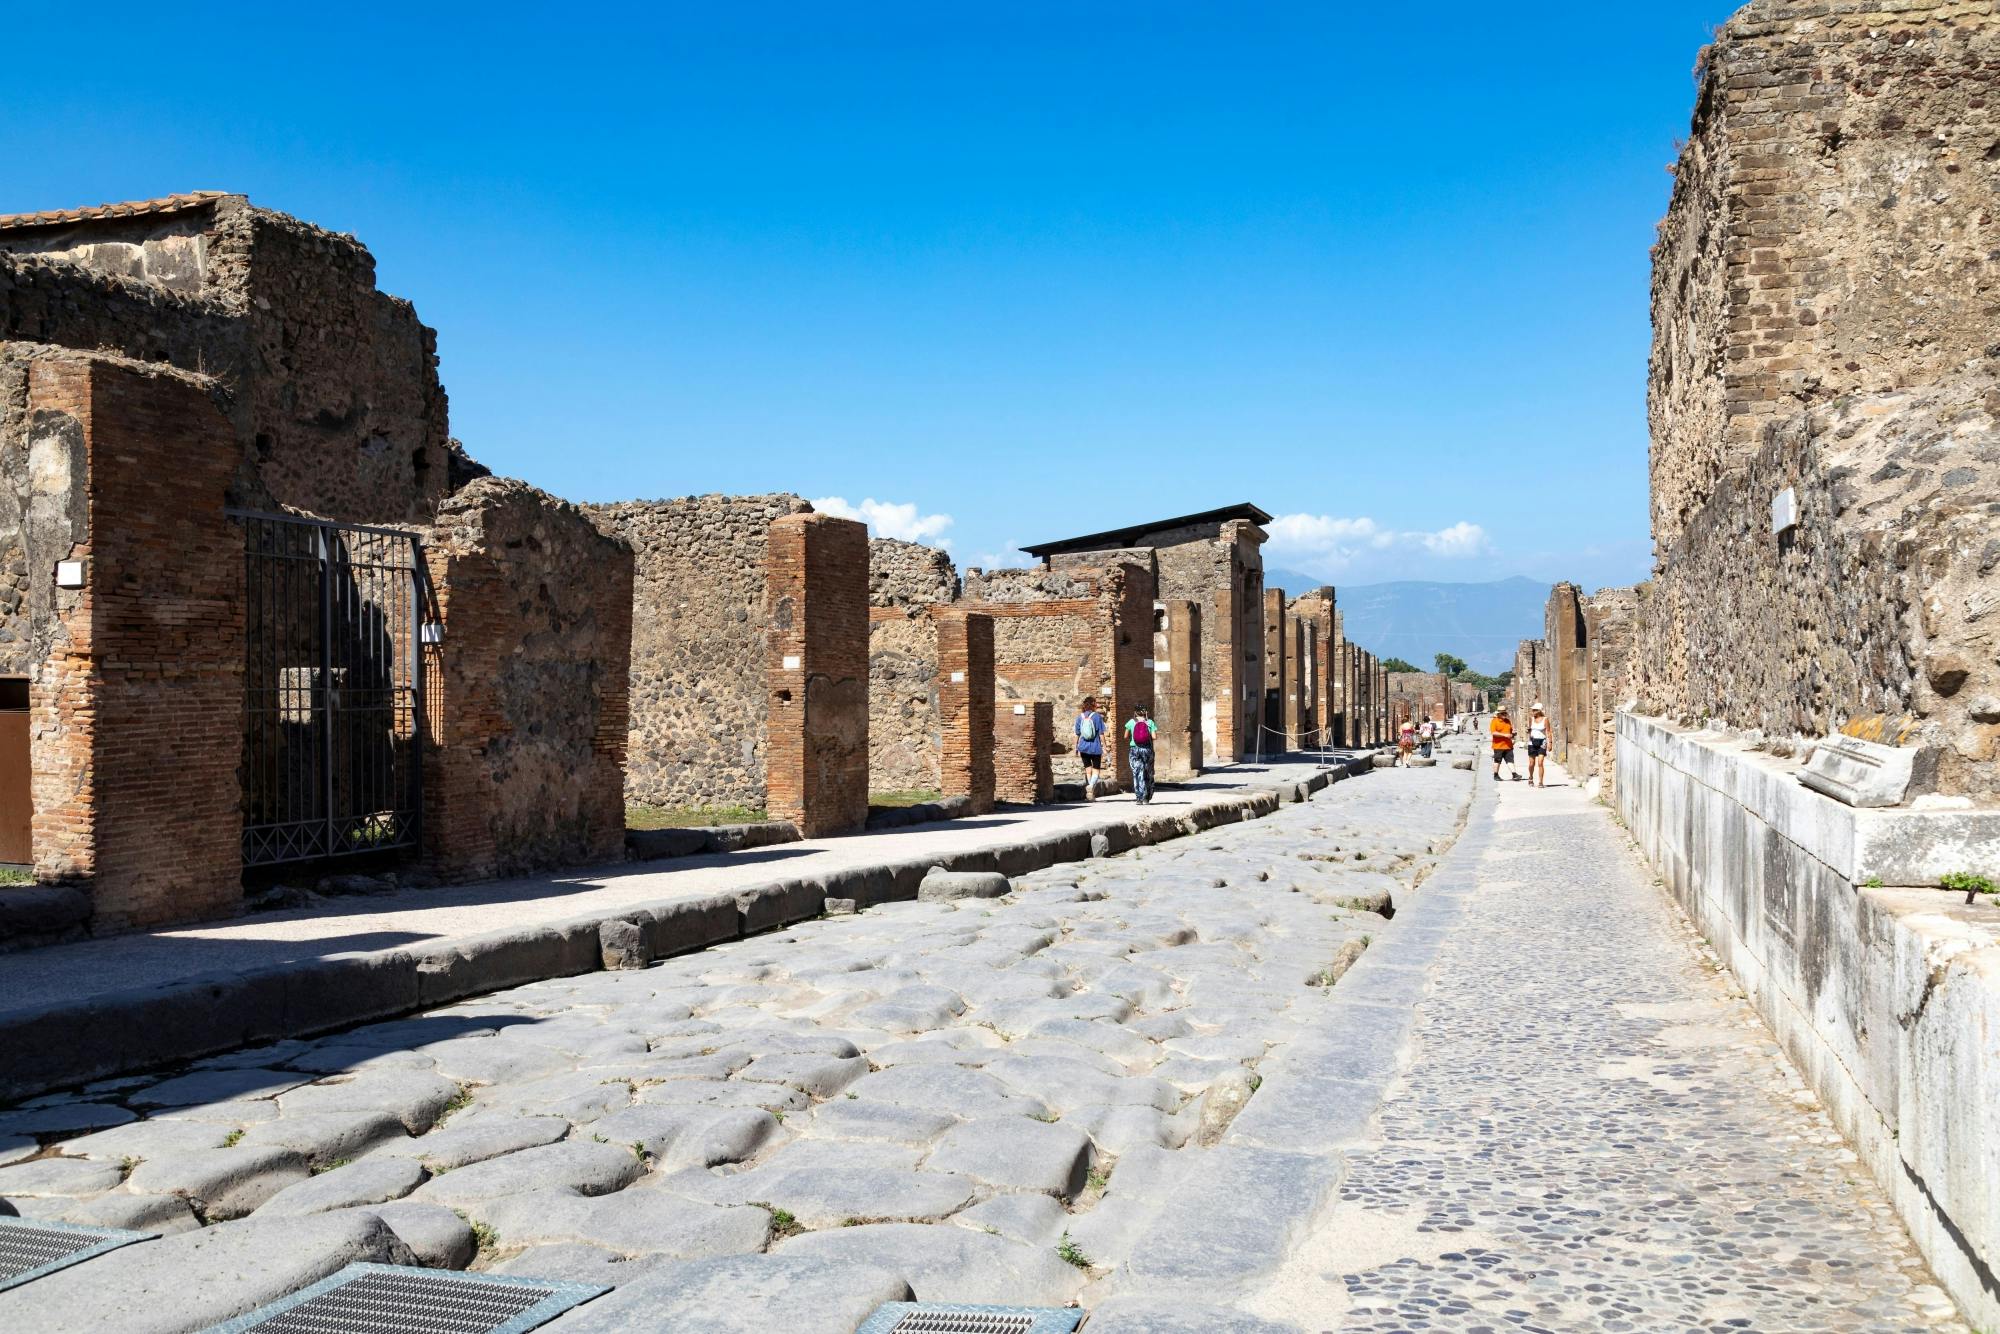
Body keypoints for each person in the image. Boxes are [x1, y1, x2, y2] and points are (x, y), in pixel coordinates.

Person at [1074, 696, 1108, 800]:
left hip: (1083, 746)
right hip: (1095, 747)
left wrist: (1076, 747)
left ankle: (1090, 793)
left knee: (1088, 769)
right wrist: (1105, 746)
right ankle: (1091, 786)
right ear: (1093, 705)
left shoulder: (1080, 717)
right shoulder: (1097, 716)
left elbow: (1077, 734)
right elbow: (1101, 733)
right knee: (1096, 769)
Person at [1124, 704, 1157, 805]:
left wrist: (1132, 737)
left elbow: (1125, 736)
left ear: (1135, 712)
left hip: (1134, 750)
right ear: (1145, 712)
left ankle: (1138, 798)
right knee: (1147, 772)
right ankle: (1146, 798)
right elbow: (1154, 737)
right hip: (1147, 750)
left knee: (1137, 772)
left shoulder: (1131, 722)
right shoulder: (1150, 722)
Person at [1526, 702, 1551, 788]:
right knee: (1531, 763)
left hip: (1542, 742)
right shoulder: (1531, 719)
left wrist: (1550, 743)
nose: (1533, 711)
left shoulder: (1545, 719)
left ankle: (1540, 782)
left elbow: (1548, 731)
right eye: (1533, 710)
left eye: (1535, 710)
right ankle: (1531, 777)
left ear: (1539, 710)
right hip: (1532, 742)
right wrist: (1528, 732)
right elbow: (1529, 729)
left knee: (1540, 762)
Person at [1490, 707, 1516, 781]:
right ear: (1499, 714)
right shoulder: (1494, 721)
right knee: (1497, 760)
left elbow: (1510, 731)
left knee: (1510, 760)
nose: (1504, 715)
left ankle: (1514, 774)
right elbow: (1493, 733)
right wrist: (1504, 735)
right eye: (1502, 713)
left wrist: (1513, 734)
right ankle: (1496, 775)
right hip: (1498, 745)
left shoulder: (1508, 721)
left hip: (1508, 745)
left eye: (1505, 713)